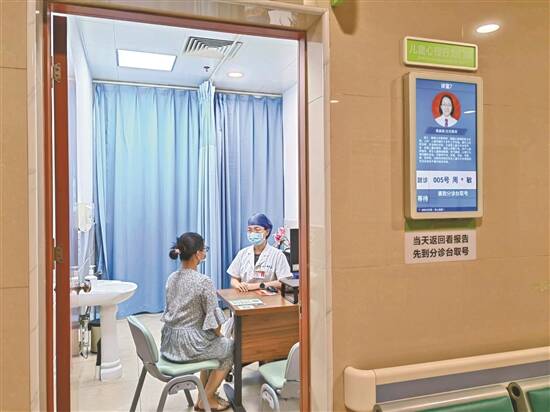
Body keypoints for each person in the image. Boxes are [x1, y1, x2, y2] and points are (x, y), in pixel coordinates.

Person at [161, 232, 232, 412]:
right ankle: (207, 398)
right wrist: (220, 336)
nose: (205, 252)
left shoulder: (171, 278)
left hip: (169, 344)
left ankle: (203, 397)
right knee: (229, 348)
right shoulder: (203, 282)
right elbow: (215, 325)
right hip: (189, 347)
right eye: (204, 249)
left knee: (212, 343)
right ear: (198, 254)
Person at [228, 213, 292, 291]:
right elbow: (234, 279)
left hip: (269, 296)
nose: (252, 233)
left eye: (257, 230)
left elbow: (283, 282)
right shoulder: (242, 253)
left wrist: (257, 286)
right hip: (245, 295)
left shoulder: (278, 255)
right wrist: (238, 285)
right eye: (249, 230)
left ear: (267, 232)